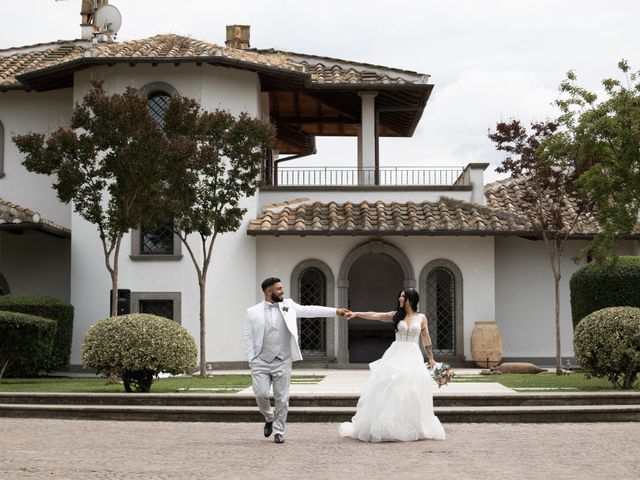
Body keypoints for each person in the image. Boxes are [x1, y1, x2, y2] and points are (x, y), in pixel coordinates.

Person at [244, 277, 348, 444]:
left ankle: (279, 431)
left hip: (282, 359)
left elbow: (311, 310)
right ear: (269, 292)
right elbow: (248, 337)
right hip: (260, 361)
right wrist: (251, 359)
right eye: (278, 289)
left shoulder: (289, 305)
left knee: (282, 398)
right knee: (261, 394)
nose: (282, 291)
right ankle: (269, 417)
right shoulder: (252, 312)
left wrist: (335, 311)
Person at [339, 288, 445, 442]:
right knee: (391, 387)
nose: (400, 299)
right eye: (400, 296)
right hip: (396, 354)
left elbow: (425, 337)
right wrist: (356, 314)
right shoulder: (396, 315)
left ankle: (410, 425)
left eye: (403, 297)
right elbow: (376, 315)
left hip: (413, 356)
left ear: (411, 299)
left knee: (412, 390)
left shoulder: (421, 318)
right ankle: (389, 425)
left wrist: (431, 358)